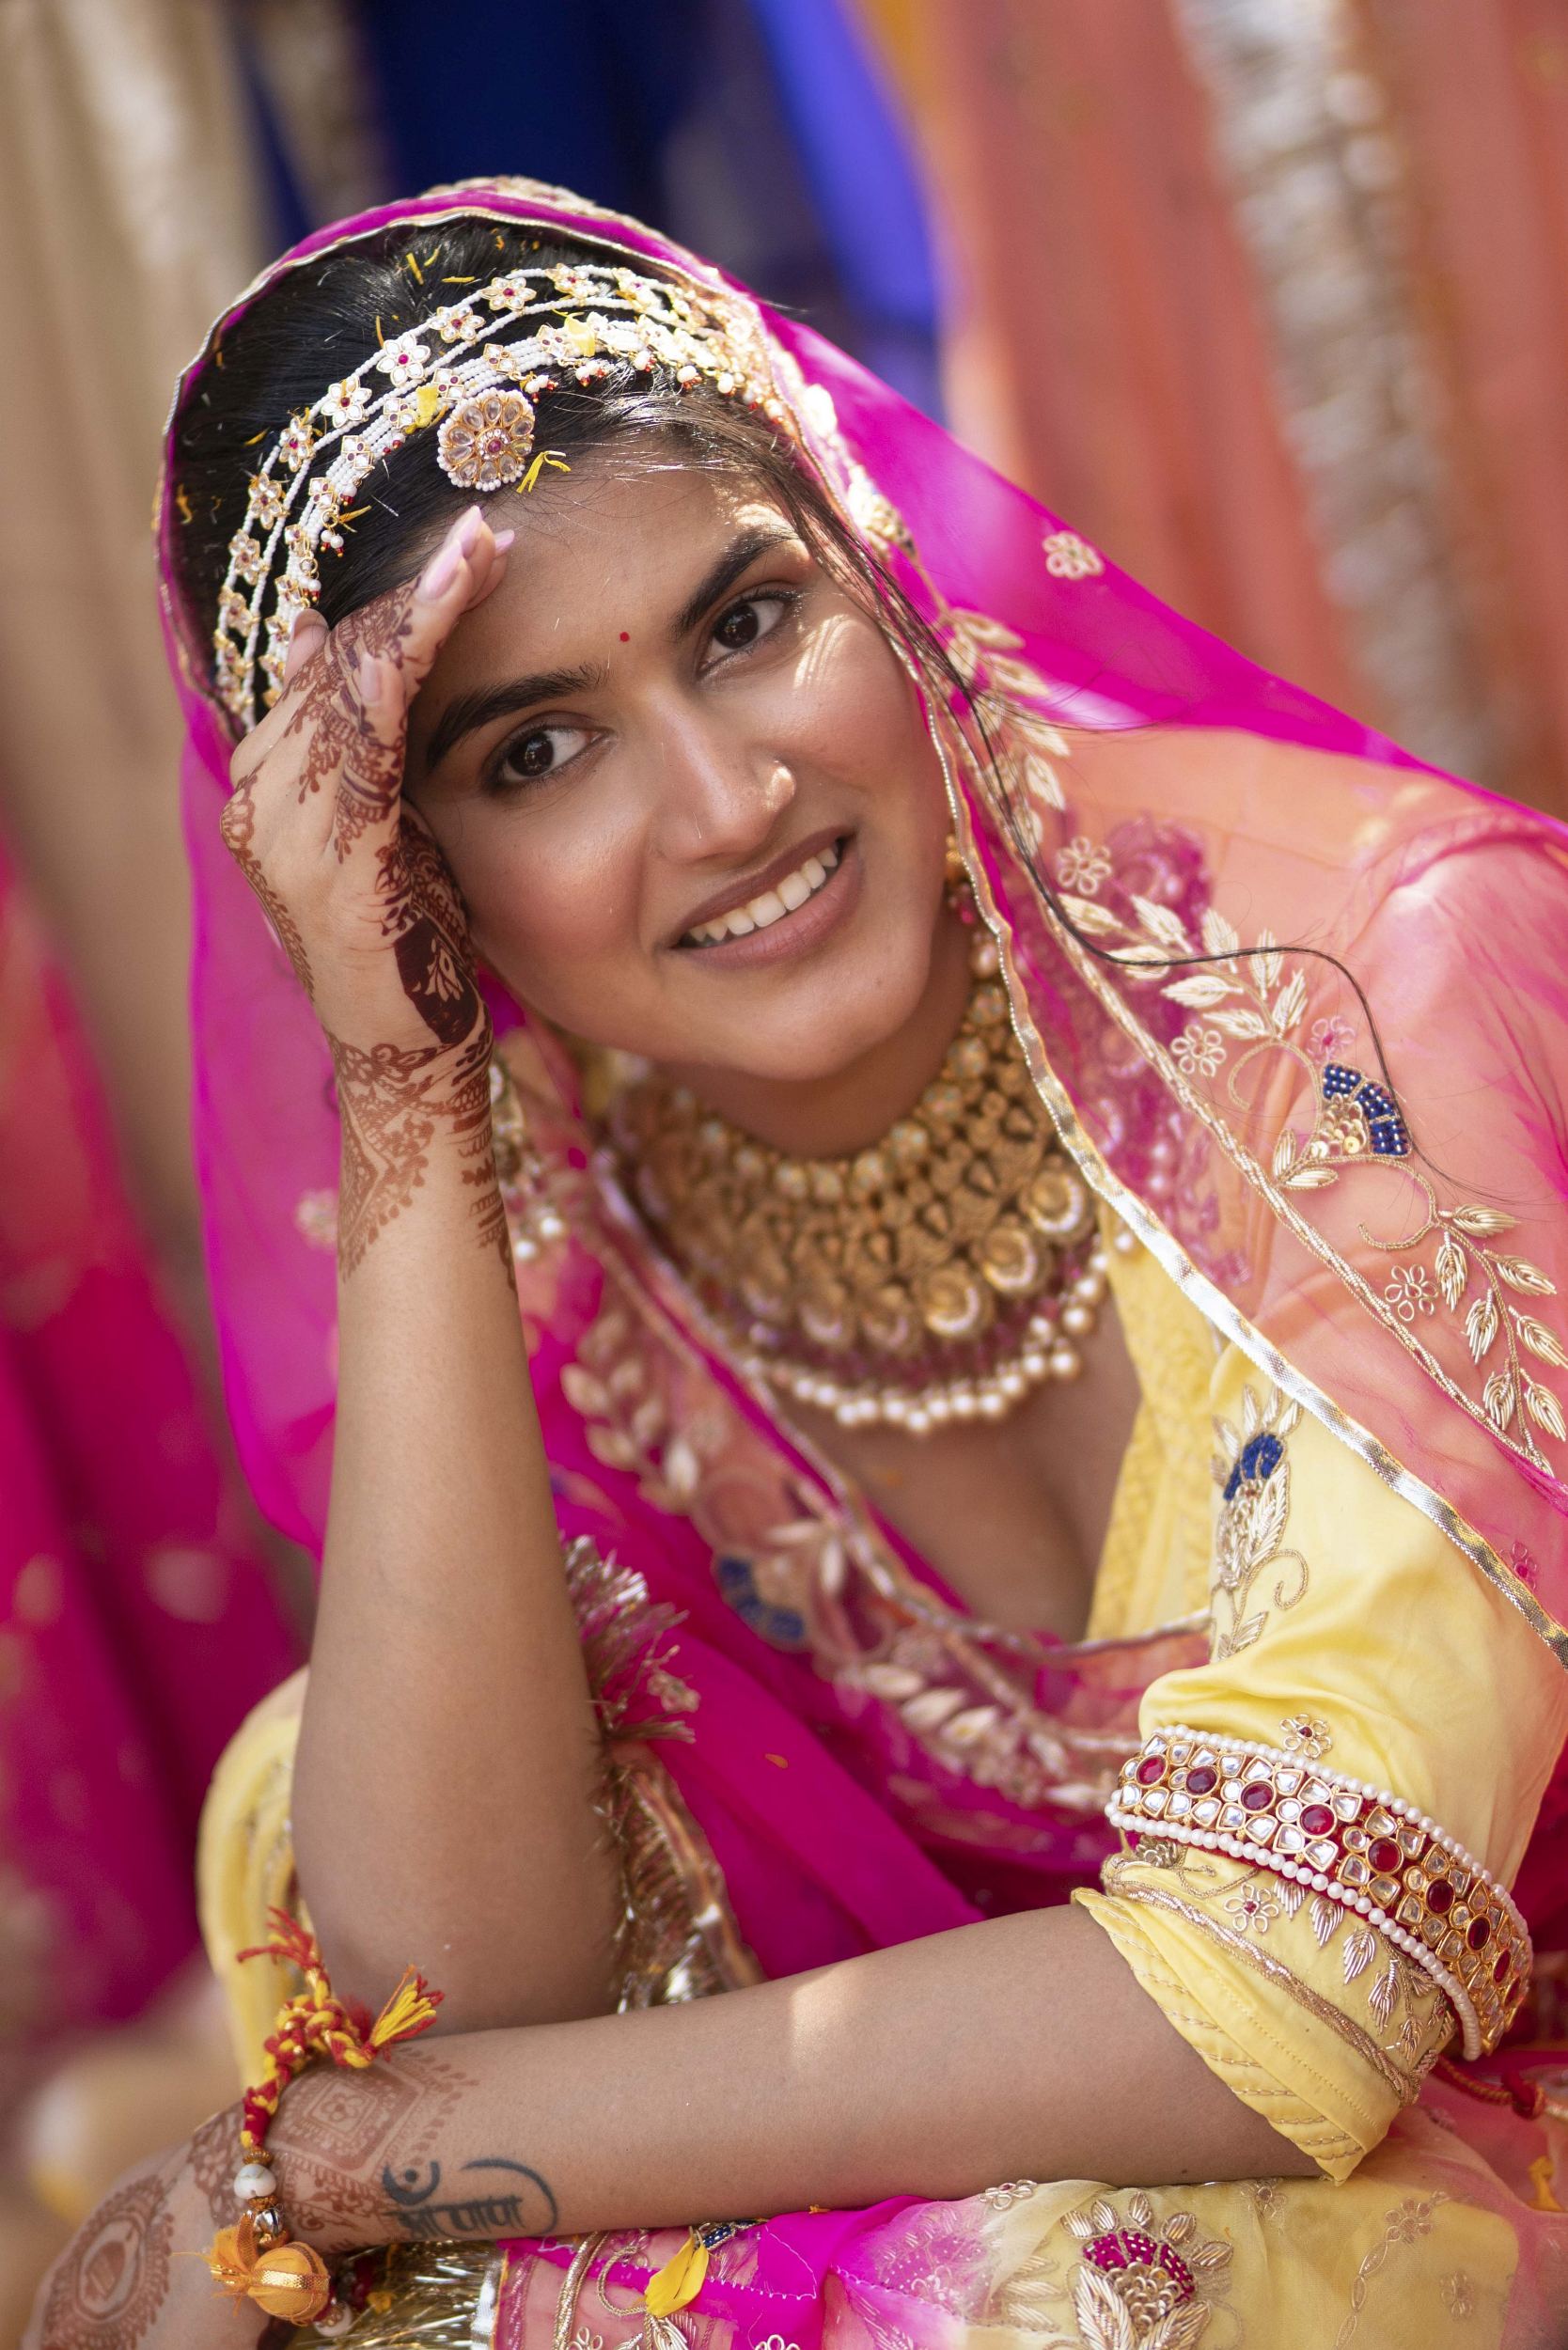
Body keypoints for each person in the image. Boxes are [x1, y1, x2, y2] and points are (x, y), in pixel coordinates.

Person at [28, 177, 1568, 2350]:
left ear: (881, 563)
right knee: (333, 1809)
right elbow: (453, 1986)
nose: (732, 797)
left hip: (1430, 2116)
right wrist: (400, 1085)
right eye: (539, 750)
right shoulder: (571, 1241)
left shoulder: (1353, 986)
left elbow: (1284, 2000)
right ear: (414, 866)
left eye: (749, 620)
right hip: (1105, 2121)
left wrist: (335, 2151)